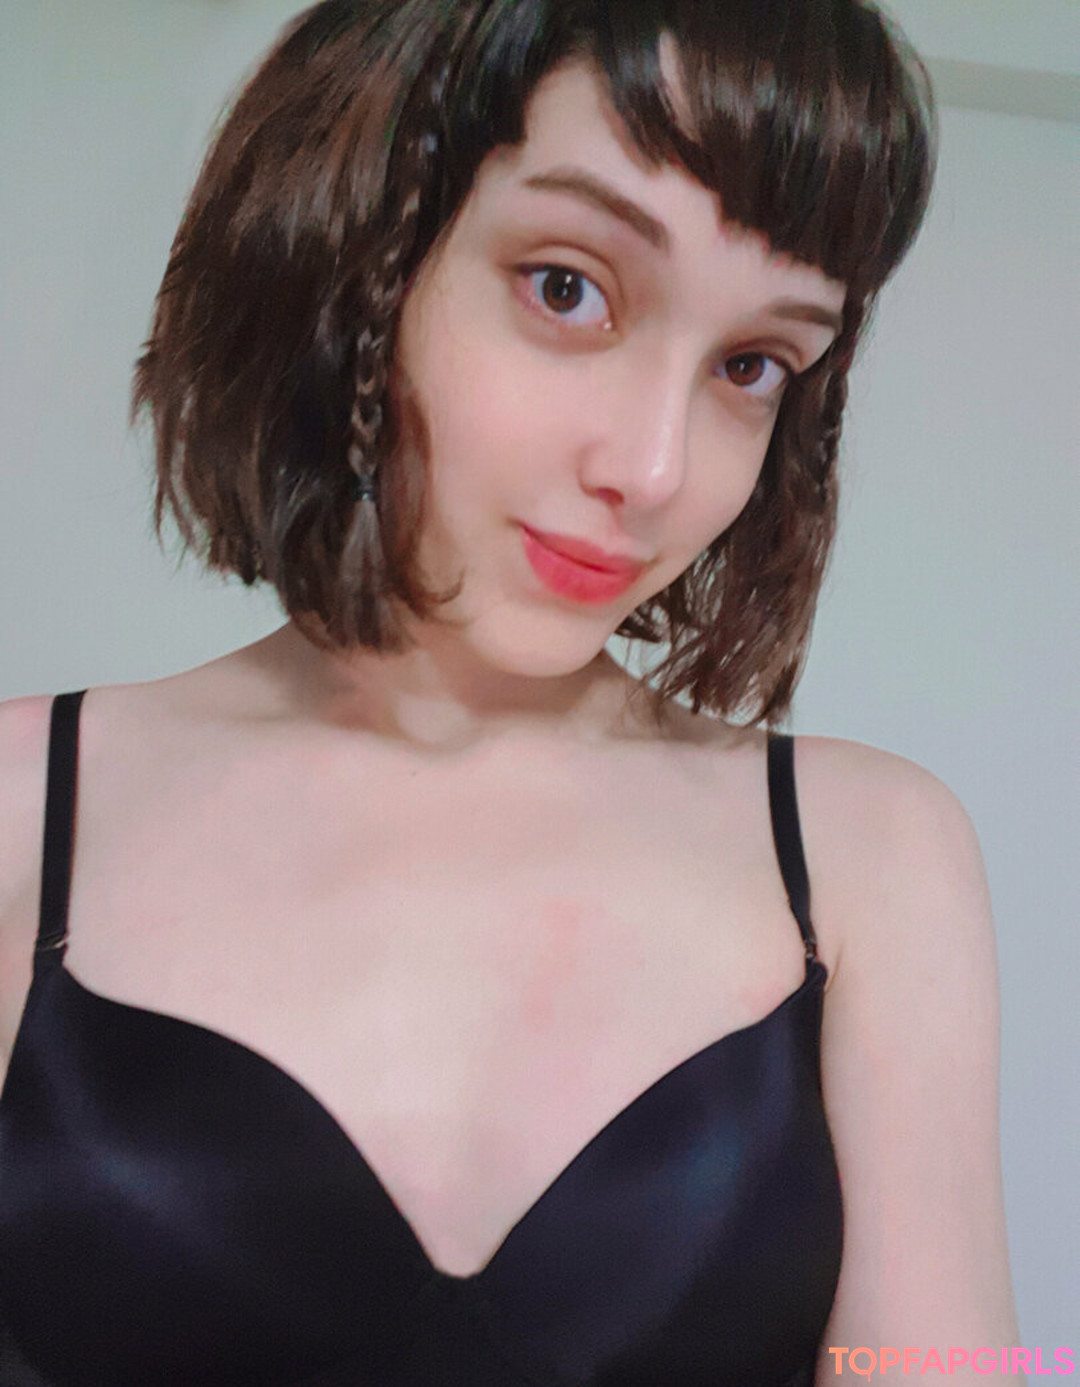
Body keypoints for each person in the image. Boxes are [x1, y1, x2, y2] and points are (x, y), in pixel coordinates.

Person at [0, 1, 1022, 1383]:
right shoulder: (21, 806)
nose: (654, 469)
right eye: (568, 287)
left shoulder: (868, 854)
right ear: (355, 251)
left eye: (750, 366)